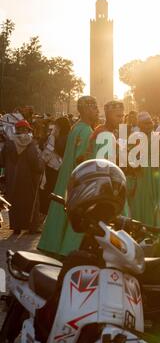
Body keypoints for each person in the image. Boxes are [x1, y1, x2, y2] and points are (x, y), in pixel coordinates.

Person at [38, 96, 99, 256]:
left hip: (65, 177)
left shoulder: (76, 127)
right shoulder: (86, 130)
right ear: (86, 110)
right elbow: (81, 160)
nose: (97, 111)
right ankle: (69, 250)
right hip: (76, 180)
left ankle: (53, 244)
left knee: (61, 212)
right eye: (94, 108)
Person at [0, 120, 44, 234]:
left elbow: (2, 161)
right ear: (27, 130)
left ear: (16, 130)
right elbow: (35, 163)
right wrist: (41, 167)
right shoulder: (30, 144)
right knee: (30, 202)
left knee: (14, 203)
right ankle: (31, 227)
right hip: (28, 180)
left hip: (12, 179)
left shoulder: (9, 144)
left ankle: (16, 227)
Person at [127, 112, 160, 226]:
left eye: (150, 122)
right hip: (141, 177)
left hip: (155, 176)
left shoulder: (157, 137)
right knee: (142, 202)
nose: (150, 125)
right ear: (140, 125)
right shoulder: (135, 139)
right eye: (146, 123)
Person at [40, 116, 71, 214]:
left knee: (49, 190)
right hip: (63, 168)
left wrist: (42, 161)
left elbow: (47, 153)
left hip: (52, 167)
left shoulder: (53, 137)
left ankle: (46, 212)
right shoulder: (70, 137)